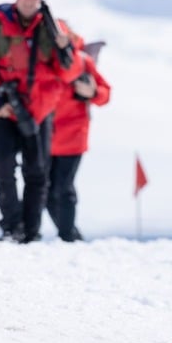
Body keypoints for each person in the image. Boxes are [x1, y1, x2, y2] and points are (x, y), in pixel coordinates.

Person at [0, 0, 83, 243]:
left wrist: (66, 49)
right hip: (5, 110)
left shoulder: (55, 29)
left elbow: (70, 73)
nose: (29, 1)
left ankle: (30, 232)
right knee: (3, 167)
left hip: (41, 112)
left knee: (37, 173)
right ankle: (11, 227)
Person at [46, 24, 111, 242]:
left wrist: (93, 91)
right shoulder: (41, 60)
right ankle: (71, 235)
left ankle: (68, 237)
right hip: (45, 138)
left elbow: (105, 93)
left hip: (73, 137)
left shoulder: (82, 60)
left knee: (63, 188)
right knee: (46, 192)